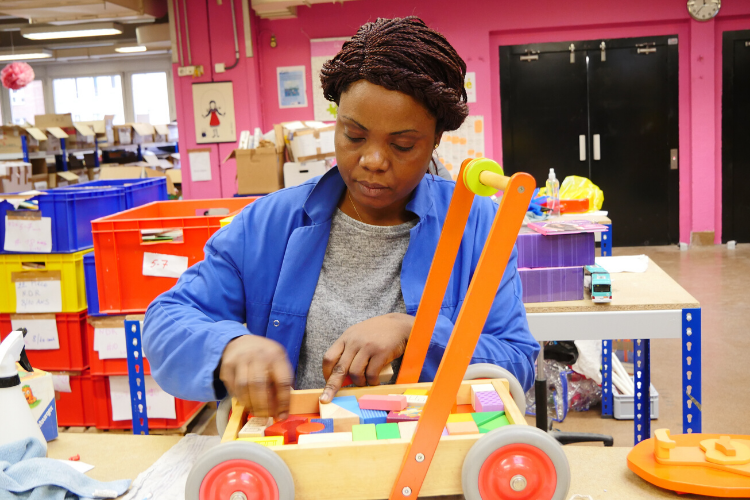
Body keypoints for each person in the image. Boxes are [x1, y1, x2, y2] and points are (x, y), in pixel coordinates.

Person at [143, 17, 538, 421]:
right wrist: (229, 346)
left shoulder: (474, 225)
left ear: (435, 140)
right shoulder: (269, 223)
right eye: (354, 136)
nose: (372, 161)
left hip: (428, 459)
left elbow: (516, 360)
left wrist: (416, 332)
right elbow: (167, 320)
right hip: (295, 456)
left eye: (402, 145)